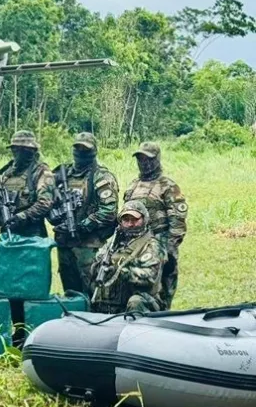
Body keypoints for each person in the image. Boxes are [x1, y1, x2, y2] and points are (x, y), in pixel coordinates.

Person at [48, 132, 119, 296]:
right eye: (78, 148)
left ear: (94, 151)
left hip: (89, 246)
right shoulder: (62, 173)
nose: (81, 152)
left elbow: (109, 211)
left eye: (85, 149)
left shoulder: (101, 176)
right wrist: (54, 213)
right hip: (65, 243)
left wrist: (83, 225)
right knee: (70, 293)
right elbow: (44, 194)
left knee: (92, 292)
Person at [123, 142, 187, 310]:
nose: (144, 163)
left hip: (160, 247)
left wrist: (166, 251)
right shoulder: (133, 185)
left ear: (157, 159)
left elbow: (177, 225)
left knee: (161, 295)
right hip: (135, 247)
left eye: (148, 159)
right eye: (140, 158)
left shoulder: (167, 186)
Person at [89, 201, 163, 314]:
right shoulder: (114, 243)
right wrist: (100, 267)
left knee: (135, 302)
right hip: (112, 301)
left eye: (135, 220)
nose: (130, 224)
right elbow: (94, 268)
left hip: (140, 301)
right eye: (126, 220)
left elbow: (149, 277)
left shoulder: (151, 245)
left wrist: (121, 271)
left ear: (144, 220)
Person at [0, 130, 55, 238]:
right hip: (8, 232)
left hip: (33, 235)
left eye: (24, 149)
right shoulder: (6, 173)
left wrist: (22, 216)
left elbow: (45, 202)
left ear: (33, 150)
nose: (19, 152)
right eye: (16, 149)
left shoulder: (40, 171)